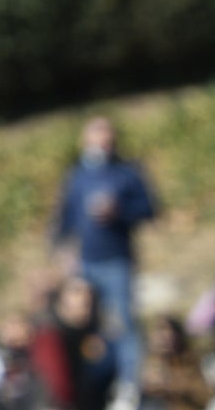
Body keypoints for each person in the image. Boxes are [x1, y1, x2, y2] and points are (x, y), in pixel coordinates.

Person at [50, 115, 158, 386]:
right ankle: (92, 382)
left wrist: (119, 212)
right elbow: (65, 217)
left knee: (124, 322)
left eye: (107, 136)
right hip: (85, 261)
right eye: (97, 135)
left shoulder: (127, 172)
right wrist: (60, 250)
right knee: (85, 326)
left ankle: (131, 383)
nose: (103, 141)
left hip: (117, 259)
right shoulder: (76, 176)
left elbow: (149, 209)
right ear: (85, 139)